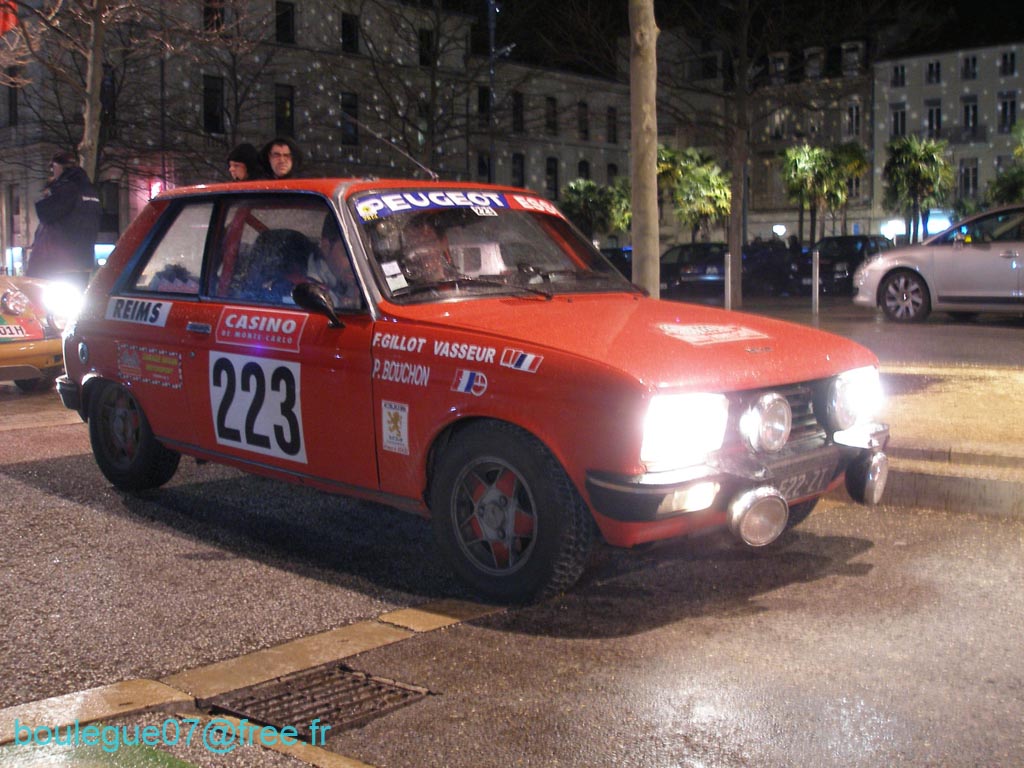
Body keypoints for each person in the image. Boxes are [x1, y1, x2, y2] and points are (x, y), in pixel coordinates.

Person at [27, 151, 102, 289]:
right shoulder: (90, 189)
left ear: (60, 166)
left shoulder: (66, 188)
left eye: (52, 167)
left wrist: (48, 194)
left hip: (60, 263)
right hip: (83, 261)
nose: (51, 171)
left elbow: (46, 213)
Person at [310, 216, 360, 308]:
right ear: (326, 247)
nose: (357, 265)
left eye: (362, 255)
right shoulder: (309, 289)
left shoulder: (346, 278)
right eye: (348, 254)